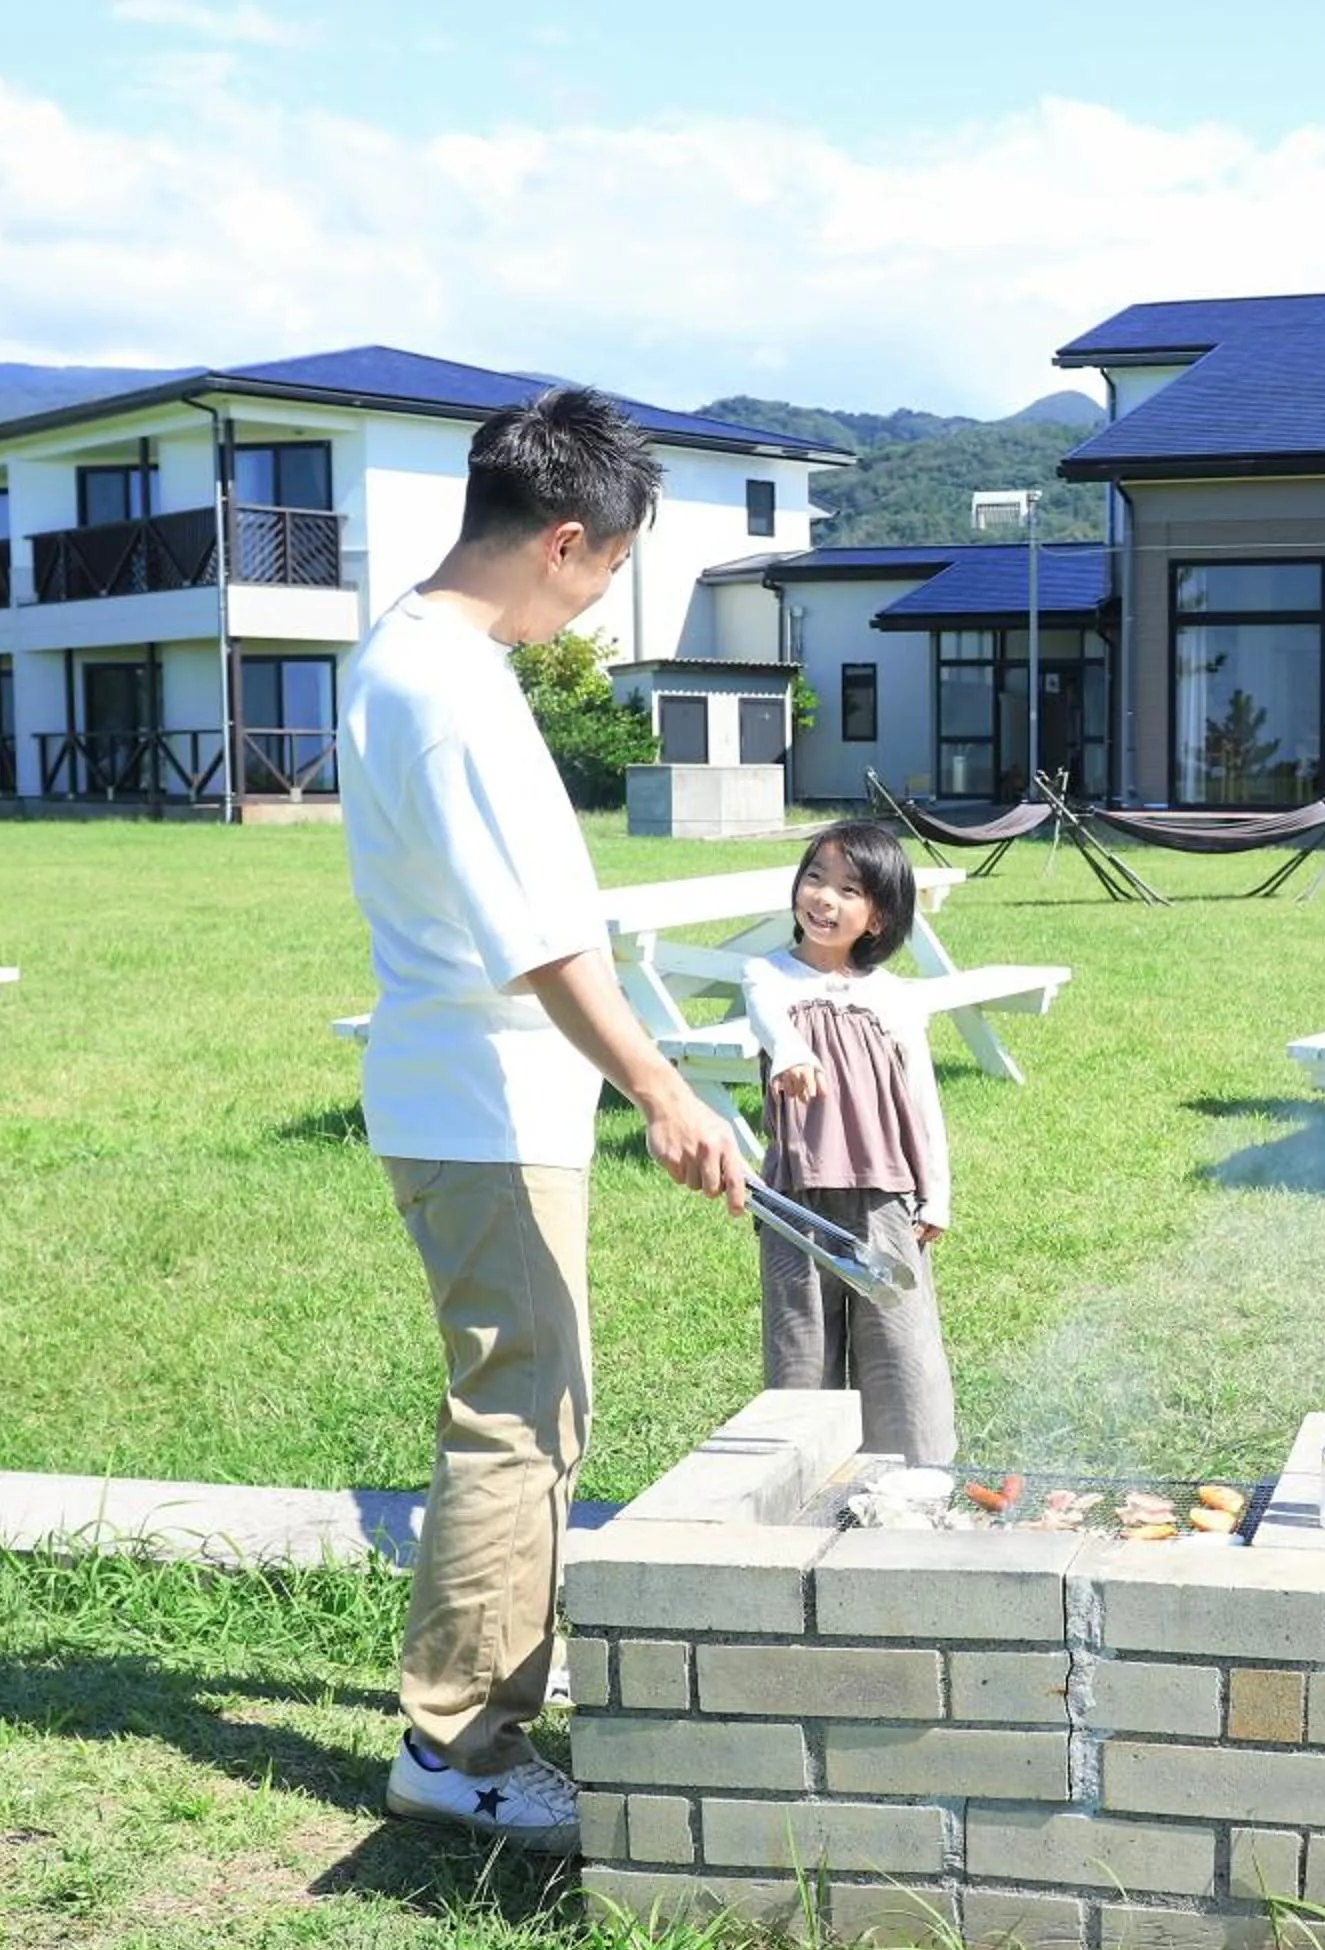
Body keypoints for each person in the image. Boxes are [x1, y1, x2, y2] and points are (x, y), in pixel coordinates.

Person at [340, 386, 748, 1853]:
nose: (602, 602)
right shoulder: (449, 690)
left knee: (532, 1405)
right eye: (613, 571)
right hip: (484, 1100)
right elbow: (538, 943)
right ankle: (459, 1747)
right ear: (565, 540)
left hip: (474, 1092)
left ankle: (491, 1685)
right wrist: (664, 1088)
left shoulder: (414, 651)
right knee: (520, 1417)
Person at [741, 820, 958, 1466]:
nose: (824, 899)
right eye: (815, 878)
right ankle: (800, 1479)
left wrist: (936, 1195)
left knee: (899, 1347)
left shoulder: (893, 998)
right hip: (796, 1200)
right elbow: (767, 1020)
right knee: (800, 1347)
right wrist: (790, 1052)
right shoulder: (769, 976)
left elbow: (922, 1100)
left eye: (848, 889)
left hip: (884, 1196)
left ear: (878, 917)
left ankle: (913, 1477)